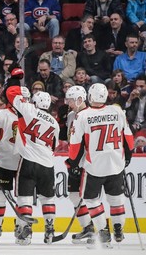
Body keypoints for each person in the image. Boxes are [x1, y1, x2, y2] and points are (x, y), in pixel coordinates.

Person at [68, 83, 134, 247]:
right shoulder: (117, 111)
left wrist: (73, 164)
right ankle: (118, 230)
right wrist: (128, 156)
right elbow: (129, 137)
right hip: (116, 164)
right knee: (116, 199)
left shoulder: (83, 115)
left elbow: (75, 146)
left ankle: (104, 232)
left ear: (90, 97)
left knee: (91, 199)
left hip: (94, 165)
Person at [5, 76, 59, 244]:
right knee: (48, 198)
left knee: (24, 198)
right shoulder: (55, 124)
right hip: (48, 164)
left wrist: (17, 83)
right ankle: (50, 231)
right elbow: (54, 146)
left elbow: (9, 93)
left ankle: (25, 231)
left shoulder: (28, 109)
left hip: (28, 160)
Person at [0, 93, 23, 242]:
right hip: (9, 162)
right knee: (2, 197)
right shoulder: (28, 114)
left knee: (20, 198)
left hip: (16, 163)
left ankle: (16, 228)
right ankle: (0, 227)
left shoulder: (4, 114)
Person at [64, 86, 94, 243]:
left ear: (79, 99)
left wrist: (80, 162)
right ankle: (88, 227)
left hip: (87, 164)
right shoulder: (70, 115)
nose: (68, 103)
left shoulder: (90, 116)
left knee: (90, 197)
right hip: (74, 162)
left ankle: (100, 228)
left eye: (70, 100)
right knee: (74, 195)